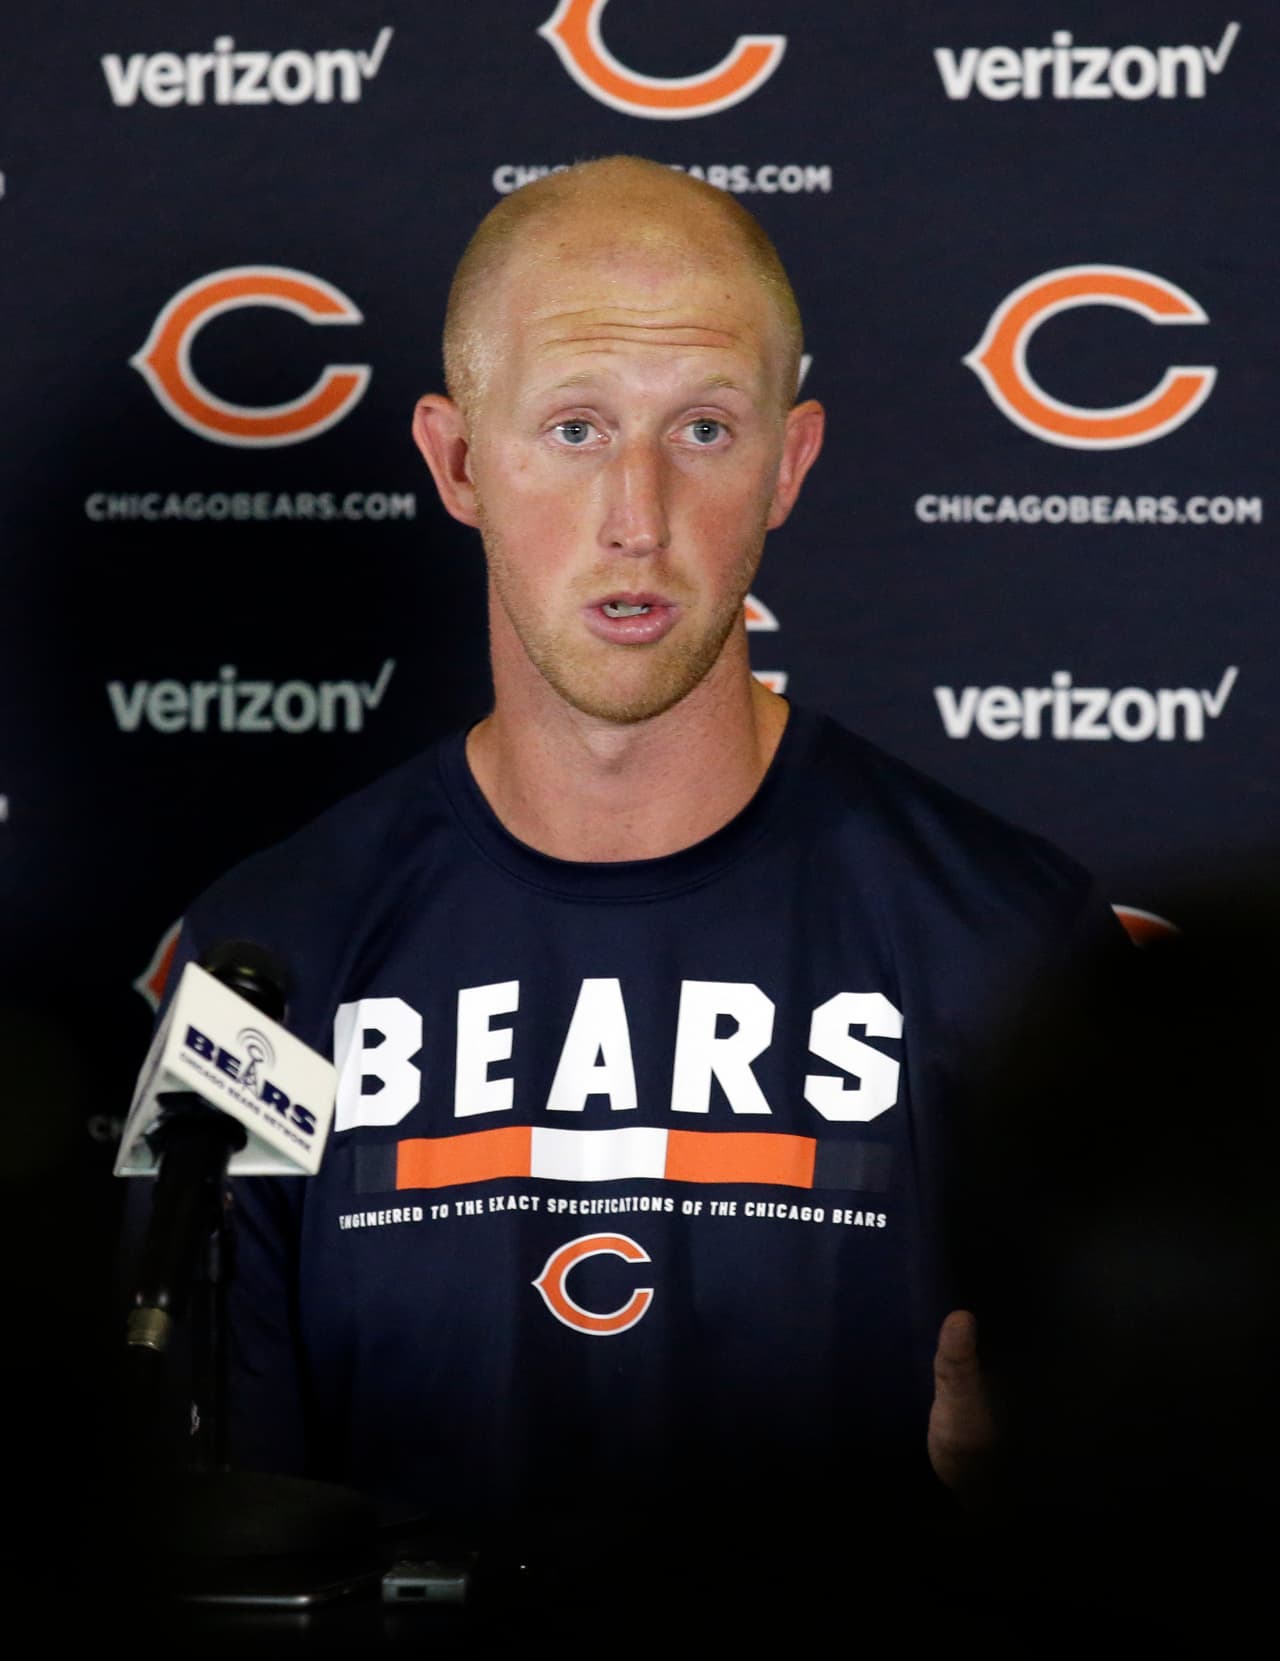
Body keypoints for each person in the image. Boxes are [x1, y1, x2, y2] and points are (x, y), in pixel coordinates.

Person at [131, 156, 1127, 1596]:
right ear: (458, 459)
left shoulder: (1014, 939)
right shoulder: (262, 953)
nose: (637, 517)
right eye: (577, 426)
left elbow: (1151, 1523)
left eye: (705, 429)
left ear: (789, 463)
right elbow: (215, 1535)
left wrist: (1048, 1500)